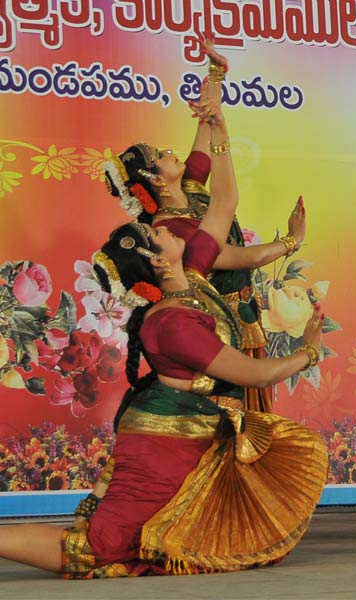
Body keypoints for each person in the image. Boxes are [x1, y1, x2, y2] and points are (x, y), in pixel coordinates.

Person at [0, 101, 329, 576]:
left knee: (155, 527)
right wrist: (310, 351)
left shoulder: (190, 275)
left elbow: (224, 203)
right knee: (101, 548)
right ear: (158, 259)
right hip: (162, 439)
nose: (170, 228)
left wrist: (219, 126)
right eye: (159, 232)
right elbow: (256, 372)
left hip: (189, 427)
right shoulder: (174, 321)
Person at [102, 37, 305, 413]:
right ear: (156, 181)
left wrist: (215, 76)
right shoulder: (173, 231)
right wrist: (291, 243)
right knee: (238, 408)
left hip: (239, 313)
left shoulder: (190, 189)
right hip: (217, 322)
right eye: (159, 156)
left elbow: (207, 133)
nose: (169, 152)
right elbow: (240, 258)